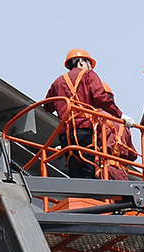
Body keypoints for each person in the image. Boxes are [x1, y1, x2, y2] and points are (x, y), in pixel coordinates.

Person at [44, 49, 135, 179]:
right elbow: (100, 97)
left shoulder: (57, 82)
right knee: (89, 172)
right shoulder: (89, 75)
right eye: (89, 64)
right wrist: (120, 115)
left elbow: (47, 107)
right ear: (81, 62)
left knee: (75, 174)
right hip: (84, 129)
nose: (90, 68)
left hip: (65, 135)